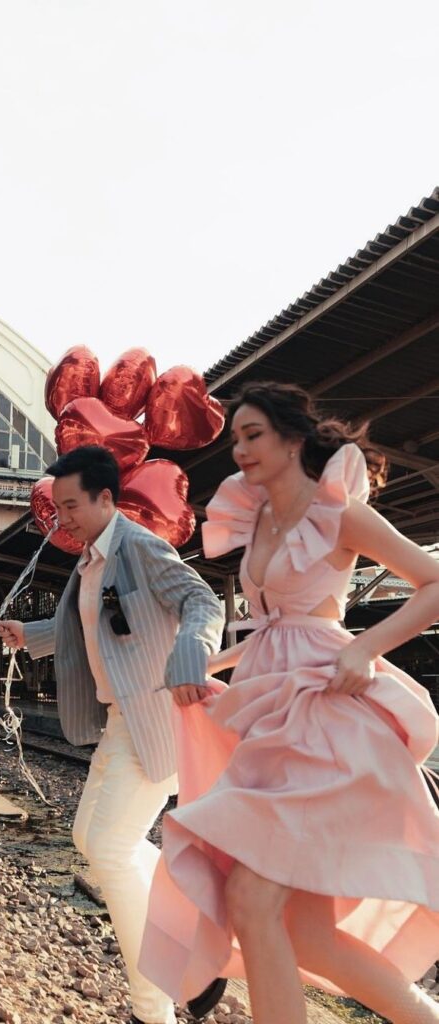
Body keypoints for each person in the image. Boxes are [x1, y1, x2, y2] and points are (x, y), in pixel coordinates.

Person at [138, 382, 439, 1024]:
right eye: (236, 439)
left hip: (330, 713)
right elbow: (275, 630)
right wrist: (205, 668)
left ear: (294, 440)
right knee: (309, 935)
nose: (240, 450)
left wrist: (366, 648)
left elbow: (433, 583)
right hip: (274, 712)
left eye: (253, 435)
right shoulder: (259, 521)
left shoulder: (338, 512)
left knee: (250, 896)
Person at [0, 445, 226, 1024]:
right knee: (89, 838)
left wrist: (192, 655)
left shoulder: (139, 546)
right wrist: (31, 633)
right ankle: (195, 930)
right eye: (58, 507)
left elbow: (202, 600)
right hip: (119, 720)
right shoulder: (90, 561)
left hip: (154, 716)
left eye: (71, 506)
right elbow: (88, 626)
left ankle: (156, 1007)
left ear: (106, 498)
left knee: (110, 849)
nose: (63, 518)